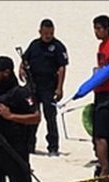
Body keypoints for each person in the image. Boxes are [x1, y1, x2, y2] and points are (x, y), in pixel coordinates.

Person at [20, 19, 68, 156]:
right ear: (40, 32)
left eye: (51, 33)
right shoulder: (34, 45)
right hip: (33, 86)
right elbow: (25, 59)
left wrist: (59, 88)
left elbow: (62, 68)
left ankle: (53, 147)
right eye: (46, 33)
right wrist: (21, 69)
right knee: (31, 116)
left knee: (50, 117)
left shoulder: (58, 47)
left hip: (49, 87)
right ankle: (29, 145)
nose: (48, 36)